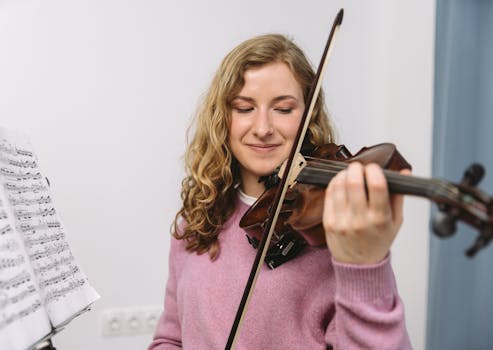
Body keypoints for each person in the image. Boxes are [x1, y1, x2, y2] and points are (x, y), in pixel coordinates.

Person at [149, 33, 412, 349]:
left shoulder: (338, 234)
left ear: (307, 116)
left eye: (284, 109)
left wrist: (366, 267)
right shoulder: (196, 222)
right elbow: (171, 337)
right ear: (223, 119)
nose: (263, 128)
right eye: (245, 108)